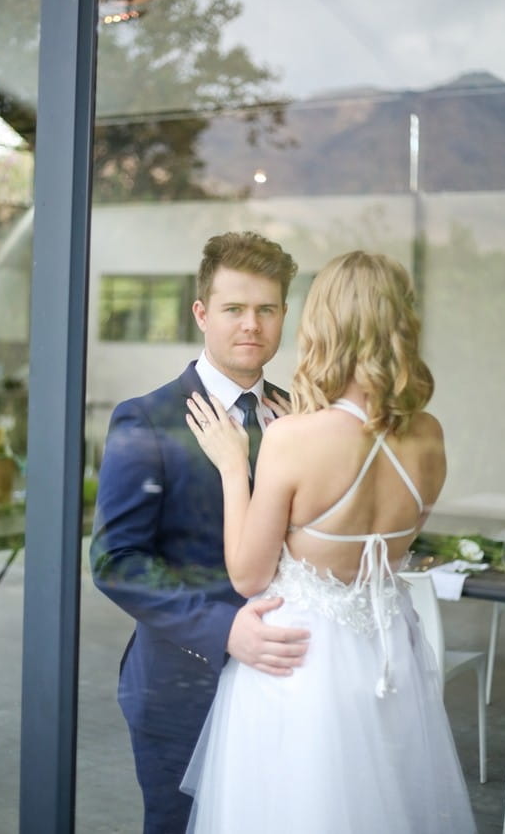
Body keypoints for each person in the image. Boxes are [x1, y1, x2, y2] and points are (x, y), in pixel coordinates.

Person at [182, 250, 477, 833]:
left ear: (324, 323)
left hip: (300, 662)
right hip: (387, 657)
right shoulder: (430, 435)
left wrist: (231, 465)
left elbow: (248, 575)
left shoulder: (295, 438)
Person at [90, 231, 309, 834]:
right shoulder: (147, 418)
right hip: (182, 687)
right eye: (234, 308)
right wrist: (223, 628)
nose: (251, 325)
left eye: (267, 309)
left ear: (284, 315)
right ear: (202, 314)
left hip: (287, 680)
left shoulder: (301, 416)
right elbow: (117, 561)